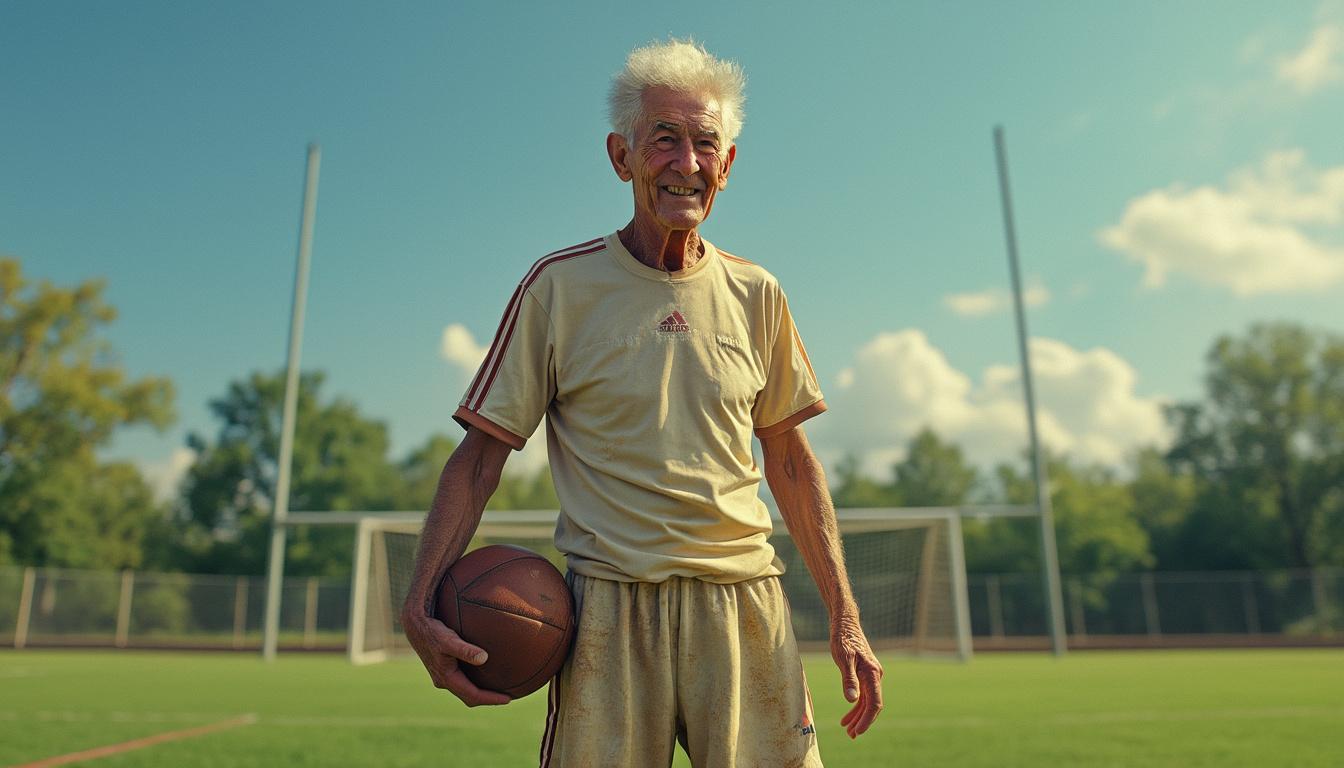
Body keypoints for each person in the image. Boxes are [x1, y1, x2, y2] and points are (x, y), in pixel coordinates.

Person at [402, 39, 883, 767]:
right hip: (607, 610)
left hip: (745, 606)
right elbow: (479, 460)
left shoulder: (759, 294)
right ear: (621, 156)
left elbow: (790, 462)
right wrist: (419, 604)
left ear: (728, 165)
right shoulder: (557, 289)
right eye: (664, 141)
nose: (685, 163)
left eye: (705, 144)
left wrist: (846, 618)